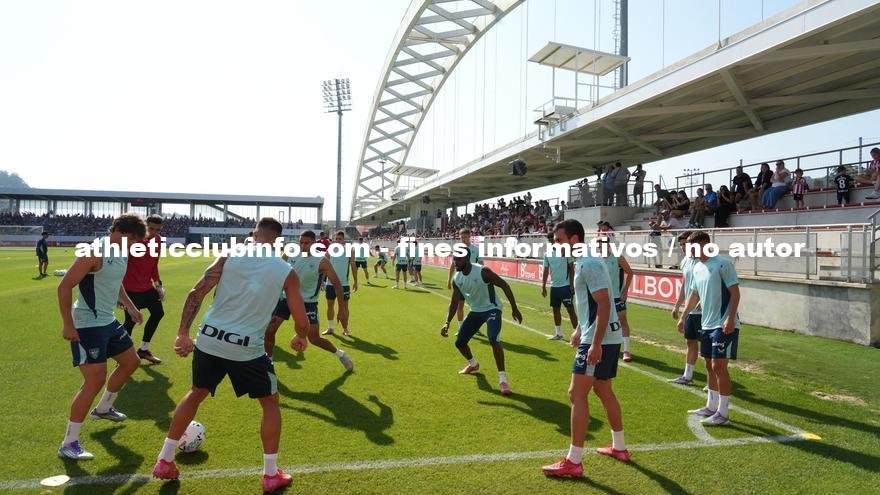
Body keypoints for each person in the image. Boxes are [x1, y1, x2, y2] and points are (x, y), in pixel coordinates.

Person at [151, 218, 310, 492]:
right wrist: (301, 335)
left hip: (209, 339)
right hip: (246, 347)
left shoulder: (229, 255)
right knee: (270, 402)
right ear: (277, 240)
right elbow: (300, 317)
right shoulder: (286, 271)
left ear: (254, 234)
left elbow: (197, 292)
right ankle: (271, 474)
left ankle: (164, 459)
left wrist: (182, 333)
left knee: (196, 392)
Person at [542, 219, 629, 478]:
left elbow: (603, 304)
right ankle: (620, 447)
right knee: (603, 389)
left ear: (574, 239)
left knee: (576, 394)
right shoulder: (586, 260)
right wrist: (580, 328)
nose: (556, 246)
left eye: (559, 240)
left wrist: (595, 342)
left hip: (600, 339)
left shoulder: (588, 262)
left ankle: (574, 461)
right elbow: (592, 303)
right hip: (603, 336)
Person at [57, 213, 146, 460]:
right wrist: (68, 325)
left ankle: (104, 408)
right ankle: (69, 442)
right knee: (94, 381)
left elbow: (115, 283)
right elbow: (64, 286)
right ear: (121, 232)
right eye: (135, 241)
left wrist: (130, 307)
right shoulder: (93, 252)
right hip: (87, 324)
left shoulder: (121, 251)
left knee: (131, 362)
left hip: (108, 320)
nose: (136, 247)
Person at [263, 231, 353, 371]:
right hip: (286, 298)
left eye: (307, 243)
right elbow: (276, 271)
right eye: (301, 242)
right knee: (269, 331)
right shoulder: (290, 253)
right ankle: (268, 364)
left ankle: (341, 354)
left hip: (308, 303)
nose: (303, 246)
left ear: (314, 243)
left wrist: (342, 309)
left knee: (314, 339)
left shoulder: (322, 261)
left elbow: (336, 283)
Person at [677, 231, 741, 427]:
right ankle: (711, 406)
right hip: (706, 324)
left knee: (718, 366)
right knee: (708, 365)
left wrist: (730, 318)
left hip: (723, 324)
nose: (688, 249)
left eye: (691, 246)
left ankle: (723, 413)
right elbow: (694, 295)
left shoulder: (722, 264)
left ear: (704, 245)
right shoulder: (697, 267)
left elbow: (735, 294)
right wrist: (683, 316)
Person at [440, 252, 523, 396]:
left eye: (458, 259)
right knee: (459, 342)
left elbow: (505, 285)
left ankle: (503, 380)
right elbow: (454, 302)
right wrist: (447, 322)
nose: (455, 262)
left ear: (467, 259)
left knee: (493, 338)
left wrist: (515, 309)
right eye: (454, 259)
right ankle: (473, 364)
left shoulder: (483, 272)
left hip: (492, 309)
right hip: (475, 311)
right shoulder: (457, 279)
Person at [122, 214, 166, 364]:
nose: (153, 232)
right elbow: (121, 265)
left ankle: (143, 350)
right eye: (150, 228)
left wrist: (159, 286)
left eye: (157, 229)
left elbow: (154, 265)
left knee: (158, 313)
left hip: (147, 287)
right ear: (144, 225)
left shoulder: (158, 241)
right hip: (130, 289)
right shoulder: (134, 240)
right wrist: (119, 294)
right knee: (130, 322)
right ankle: (123, 355)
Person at [669, 231, 700, 385]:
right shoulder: (685, 261)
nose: (682, 247)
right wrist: (677, 305)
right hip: (690, 310)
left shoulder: (703, 260)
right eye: (680, 244)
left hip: (703, 311)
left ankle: (713, 382)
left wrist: (701, 301)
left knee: (708, 348)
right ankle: (688, 376)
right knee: (690, 342)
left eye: (684, 244)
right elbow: (684, 285)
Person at [598, 236, 634, 362]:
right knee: (602, 322)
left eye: (602, 244)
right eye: (598, 244)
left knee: (622, 321)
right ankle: (603, 347)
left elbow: (630, 272)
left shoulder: (618, 257)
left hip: (617, 296)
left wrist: (625, 291)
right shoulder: (596, 259)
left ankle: (626, 350)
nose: (600, 246)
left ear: (608, 245)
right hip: (602, 298)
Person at [542, 232, 578, 341]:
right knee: (555, 310)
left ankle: (577, 334)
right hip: (554, 286)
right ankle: (558, 333)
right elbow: (545, 270)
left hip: (565, 286)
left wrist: (572, 284)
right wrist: (543, 285)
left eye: (552, 238)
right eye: (549, 239)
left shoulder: (565, 251)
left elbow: (572, 268)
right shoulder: (547, 254)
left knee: (570, 310)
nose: (551, 240)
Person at [323, 231, 358, 337]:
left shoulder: (349, 249)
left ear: (343, 239)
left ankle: (345, 329)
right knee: (330, 305)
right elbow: (324, 264)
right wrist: (323, 281)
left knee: (344, 307)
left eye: (340, 239)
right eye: (336, 239)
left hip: (344, 284)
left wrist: (356, 281)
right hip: (330, 283)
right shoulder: (330, 249)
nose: (337, 241)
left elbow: (353, 265)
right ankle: (330, 328)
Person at [446, 228, 482, 325]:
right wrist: (449, 280)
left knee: (476, 306)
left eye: (465, 237)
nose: (463, 239)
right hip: (461, 281)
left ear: (469, 237)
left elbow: (481, 264)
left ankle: (472, 324)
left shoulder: (476, 249)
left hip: (474, 281)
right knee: (459, 304)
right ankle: (461, 327)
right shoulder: (457, 249)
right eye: (461, 237)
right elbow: (453, 265)